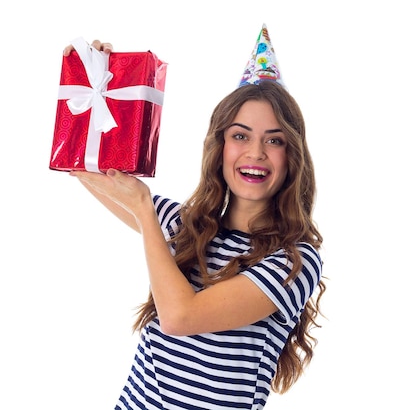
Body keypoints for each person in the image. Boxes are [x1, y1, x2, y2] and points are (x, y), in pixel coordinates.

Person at [65, 25, 326, 410]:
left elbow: (179, 317)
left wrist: (143, 209)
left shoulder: (293, 261)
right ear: (219, 146)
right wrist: (93, 78)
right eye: (240, 136)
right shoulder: (183, 226)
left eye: (274, 140)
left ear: (292, 157)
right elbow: (84, 166)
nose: (255, 152)